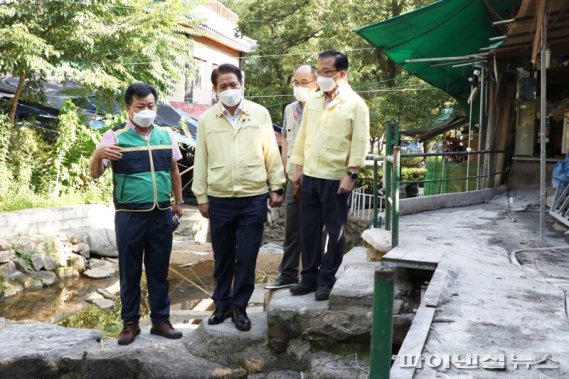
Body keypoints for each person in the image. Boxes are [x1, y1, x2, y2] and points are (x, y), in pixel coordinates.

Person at [89, 82, 184, 345]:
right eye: (140, 106)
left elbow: (174, 170)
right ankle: (130, 323)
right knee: (129, 270)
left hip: (161, 213)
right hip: (130, 215)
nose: (146, 110)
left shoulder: (167, 135)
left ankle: (160, 321)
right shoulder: (115, 136)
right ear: (129, 108)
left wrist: (179, 201)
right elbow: (95, 173)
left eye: (151, 106)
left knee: (159, 270)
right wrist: (97, 155)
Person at [192, 63, 285, 331]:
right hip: (219, 199)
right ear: (215, 90)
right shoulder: (207, 119)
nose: (229, 90)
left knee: (246, 256)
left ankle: (240, 308)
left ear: (241, 85)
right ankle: (221, 306)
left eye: (233, 85)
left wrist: (276, 186)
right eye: (223, 87)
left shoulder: (259, 113)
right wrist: (201, 196)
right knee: (222, 256)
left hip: (253, 198)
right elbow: (201, 159)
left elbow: (271, 151)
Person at [289, 50, 370, 301]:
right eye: (319, 71)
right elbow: (303, 136)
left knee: (334, 232)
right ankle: (309, 278)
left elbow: (359, 142)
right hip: (311, 174)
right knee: (309, 229)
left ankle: (327, 279)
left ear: (341, 74)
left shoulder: (355, 104)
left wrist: (351, 175)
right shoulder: (313, 100)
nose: (320, 76)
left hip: (336, 178)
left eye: (326, 72)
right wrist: (298, 168)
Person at [265, 65, 318, 289]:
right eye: (296, 82)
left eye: (304, 82)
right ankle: (288, 274)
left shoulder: (323, 107)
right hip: (292, 178)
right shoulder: (290, 109)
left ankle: (311, 276)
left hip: (316, 175)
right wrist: (286, 170)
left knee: (314, 229)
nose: (299, 87)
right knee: (292, 228)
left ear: (316, 82)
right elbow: (286, 140)